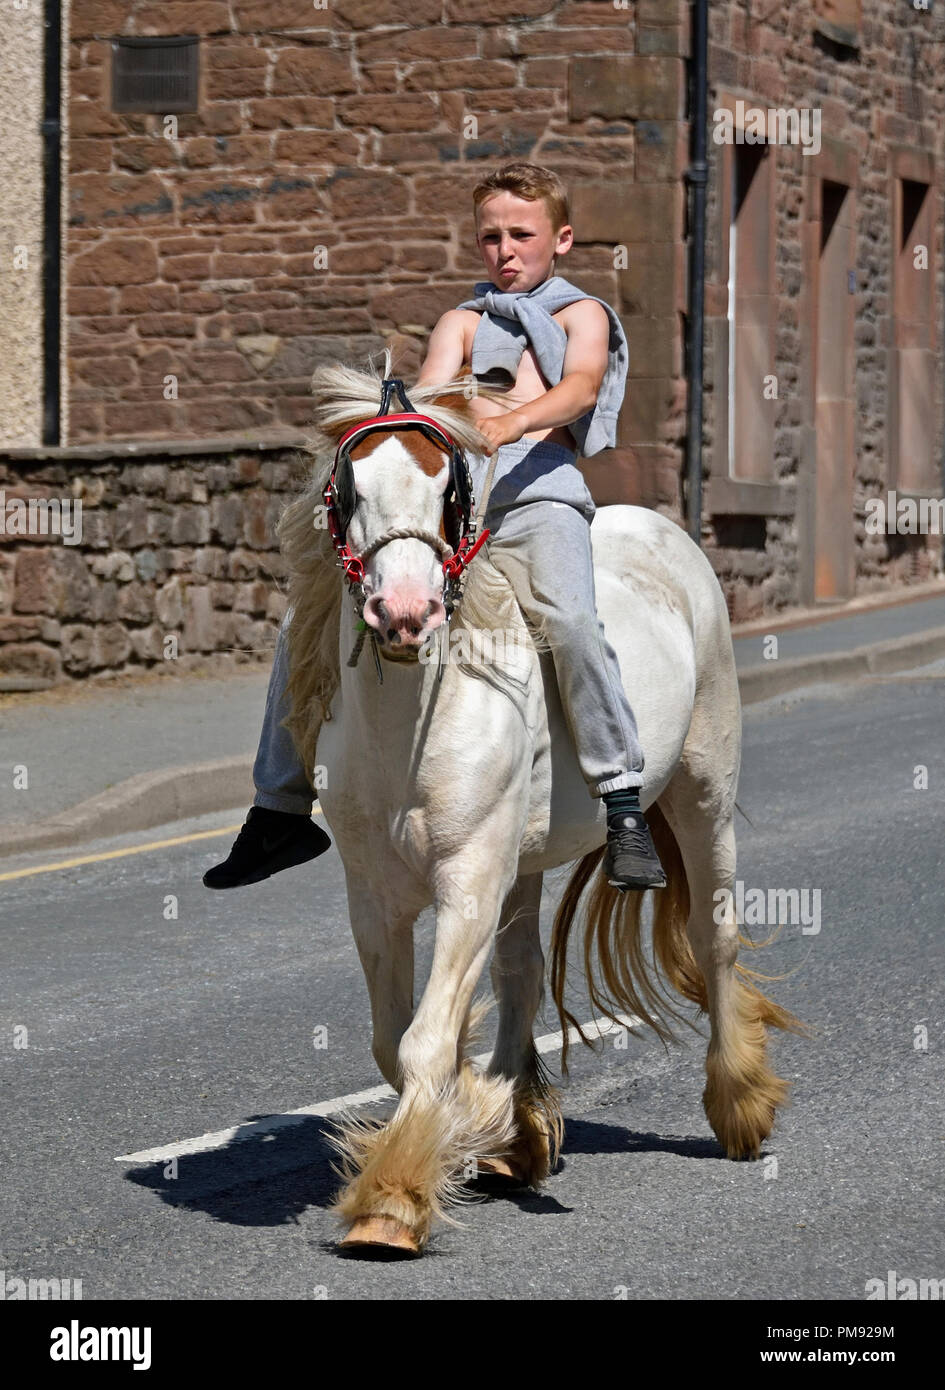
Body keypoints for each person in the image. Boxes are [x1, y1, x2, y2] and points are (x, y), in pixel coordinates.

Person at [204, 161, 665, 892]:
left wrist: (510, 421)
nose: (504, 250)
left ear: (562, 239)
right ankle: (279, 809)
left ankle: (621, 802)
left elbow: (578, 387)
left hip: (538, 499)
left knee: (571, 620)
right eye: (490, 237)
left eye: (521, 235)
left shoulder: (584, 316)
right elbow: (430, 396)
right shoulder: (462, 320)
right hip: (458, 511)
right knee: (311, 621)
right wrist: (396, 423)